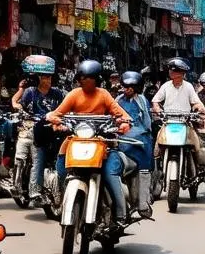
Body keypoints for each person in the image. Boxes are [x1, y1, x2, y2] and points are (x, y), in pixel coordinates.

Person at [47, 60, 133, 223]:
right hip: (77, 140)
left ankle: (121, 213)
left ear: (97, 80)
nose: (86, 81)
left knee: (109, 173)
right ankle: (60, 198)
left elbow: (121, 114)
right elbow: (57, 114)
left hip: (101, 141)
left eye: (90, 78)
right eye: (83, 78)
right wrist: (56, 122)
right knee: (61, 167)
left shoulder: (104, 95)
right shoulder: (73, 95)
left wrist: (123, 123)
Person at [12, 55, 65, 203]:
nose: (47, 81)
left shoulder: (57, 93)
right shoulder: (30, 92)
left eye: (49, 78)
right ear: (38, 79)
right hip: (34, 130)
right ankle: (30, 189)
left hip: (52, 129)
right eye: (44, 78)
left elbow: (64, 108)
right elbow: (18, 105)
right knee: (34, 158)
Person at [117, 70, 154, 217]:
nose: (128, 89)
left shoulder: (143, 101)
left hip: (140, 141)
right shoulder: (118, 100)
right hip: (121, 139)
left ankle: (143, 204)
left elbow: (147, 123)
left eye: (131, 87)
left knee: (144, 168)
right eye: (126, 86)